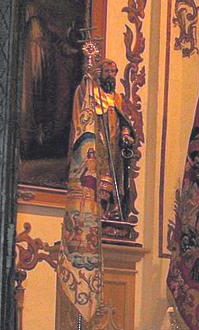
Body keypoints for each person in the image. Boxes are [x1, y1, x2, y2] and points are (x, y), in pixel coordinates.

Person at [69, 56, 138, 221]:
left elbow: (123, 121)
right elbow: (82, 107)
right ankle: (96, 211)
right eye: (107, 71)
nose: (111, 75)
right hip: (97, 140)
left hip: (112, 144)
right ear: (100, 73)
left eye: (113, 72)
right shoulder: (92, 93)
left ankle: (108, 210)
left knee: (112, 175)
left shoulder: (117, 98)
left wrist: (126, 133)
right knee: (95, 174)